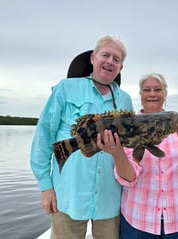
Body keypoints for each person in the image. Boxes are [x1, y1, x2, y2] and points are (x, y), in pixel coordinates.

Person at [30, 35, 133, 239]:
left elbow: (129, 151)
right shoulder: (65, 88)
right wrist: (45, 187)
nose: (110, 61)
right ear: (93, 58)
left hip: (109, 199)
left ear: (120, 68)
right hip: (68, 196)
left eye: (116, 59)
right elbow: (43, 137)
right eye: (105, 55)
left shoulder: (125, 100)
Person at [97, 73, 178, 239]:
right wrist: (117, 153)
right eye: (147, 90)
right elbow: (128, 178)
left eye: (157, 89)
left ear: (165, 94)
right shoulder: (130, 125)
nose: (152, 94)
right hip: (138, 222)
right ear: (141, 95)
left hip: (176, 222)